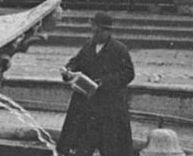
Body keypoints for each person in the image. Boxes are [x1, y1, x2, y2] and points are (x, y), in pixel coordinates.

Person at [58, 12, 135, 156]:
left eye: (99, 31)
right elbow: (76, 61)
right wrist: (69, 70)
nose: (96, 34)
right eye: (94, 30)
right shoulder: (88, 46)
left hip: (109, 106)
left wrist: (104, 82)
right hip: (86, 105)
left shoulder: (119, 49)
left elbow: (128, 74)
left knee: (111, 146)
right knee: (82, 144)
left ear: (108, 31)